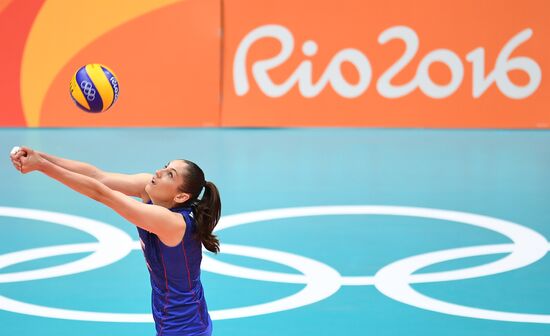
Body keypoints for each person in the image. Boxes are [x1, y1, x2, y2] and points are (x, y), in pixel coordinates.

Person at [10, 146, 220, 336]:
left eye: (169, 175)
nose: (159, 172)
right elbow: (97, 176)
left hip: (185, 330)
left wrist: (42, 166)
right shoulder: (151, 189)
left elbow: (101, 193)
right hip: (178, 322)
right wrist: (38, 157)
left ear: (181, 197)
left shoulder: (170, 222)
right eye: (165, 167)